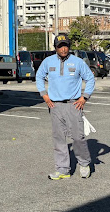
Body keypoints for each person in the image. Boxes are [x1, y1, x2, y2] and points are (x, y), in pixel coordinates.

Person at [36, 33, 95, 180]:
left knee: (77, 137)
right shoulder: (48, 62)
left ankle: (84, 163)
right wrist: (44, 95)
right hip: (55, 106)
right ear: (55, 47)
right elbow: (39, 76)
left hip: (73, 105)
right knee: (59, 139)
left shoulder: (78, 62)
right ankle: (63, 169)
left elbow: (90, 78)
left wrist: (84, 97)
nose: (63, 49)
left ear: (69, 46)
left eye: (65, 46)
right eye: (60, 46)